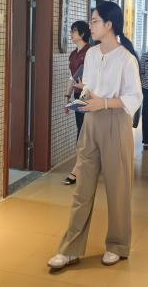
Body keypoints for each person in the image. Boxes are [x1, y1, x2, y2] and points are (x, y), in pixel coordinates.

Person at [48, 1, 142, 270]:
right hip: (91, 121)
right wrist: (80, 101)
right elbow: (88, 86)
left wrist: (104, 103)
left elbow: (134, 97)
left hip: (115, 122)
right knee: (82, 189)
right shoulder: (91, 54)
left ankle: (117, 245)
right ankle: (70, 249)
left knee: (118, 188)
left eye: (95, 21)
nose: (91, 25)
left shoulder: (126, 59)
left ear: (109, 24)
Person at [62, 21, 91, 185]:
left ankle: (76, 170)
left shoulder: (91, 52)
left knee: (85, 134)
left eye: (74, 31)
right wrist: (67, 97)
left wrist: (85, 86)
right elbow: (71, 78)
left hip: (91, 97)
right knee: (81, 131)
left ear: (82, 33)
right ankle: (82, 167)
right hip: (79, 96)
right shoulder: (73, 54)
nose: (71, 34)